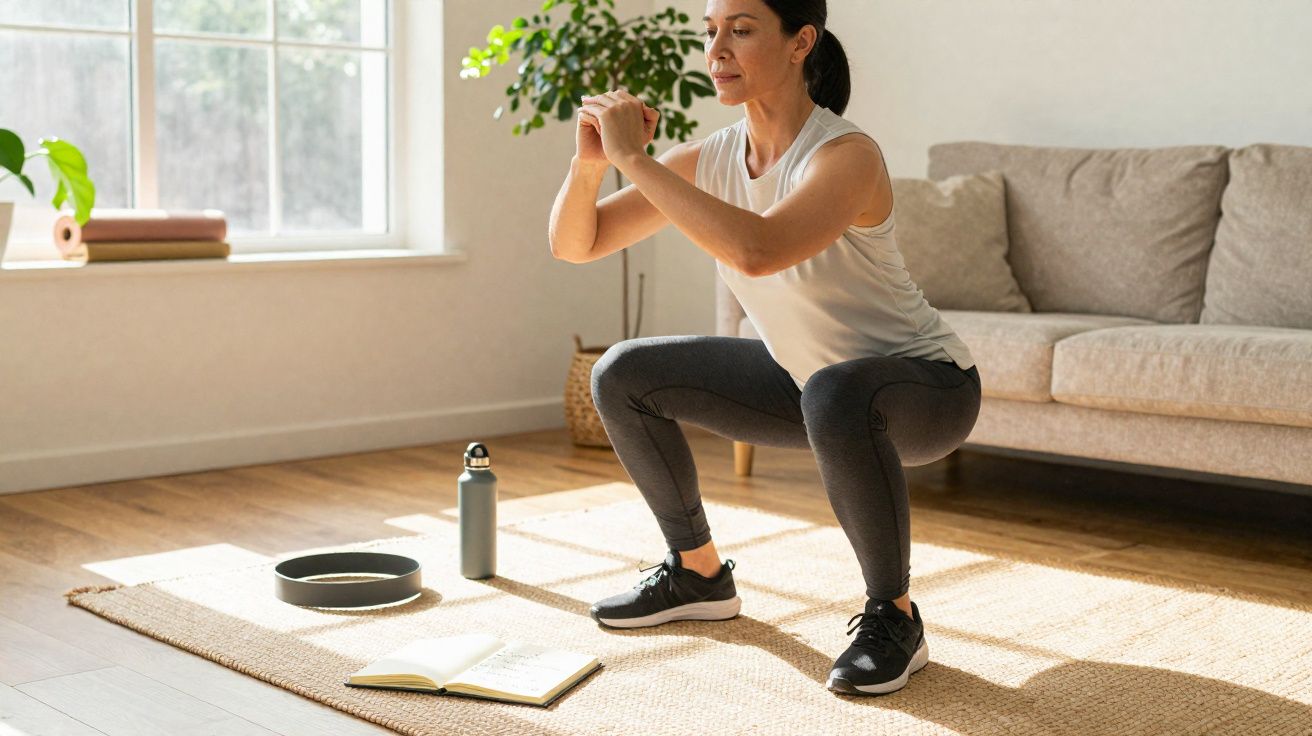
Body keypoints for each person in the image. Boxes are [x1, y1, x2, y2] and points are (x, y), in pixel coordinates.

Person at [547, 0, 981, 697]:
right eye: (710, 31)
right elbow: (577, 244)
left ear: (800, 42)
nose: (717, 47)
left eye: (741, 29)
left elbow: (759, 250)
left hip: (927, 388)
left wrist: (637, 157)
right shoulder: (710, 157)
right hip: (807, 385)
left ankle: (895, 618)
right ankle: (697, 572)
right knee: (623, 372)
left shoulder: (846, 154)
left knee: (840, 388)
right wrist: (593, 163)